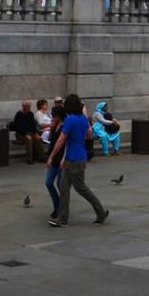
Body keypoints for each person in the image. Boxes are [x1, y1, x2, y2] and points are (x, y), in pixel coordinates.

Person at [47, 93, 108, 227]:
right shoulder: (83, 119)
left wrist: (51, 156)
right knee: (64, 187)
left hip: (72, 158)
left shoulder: (70, 120)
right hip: (79, 156)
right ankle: (63, 219)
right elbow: (89, 135)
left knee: (81, 188)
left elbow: (61, 140)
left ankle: (101, 213)